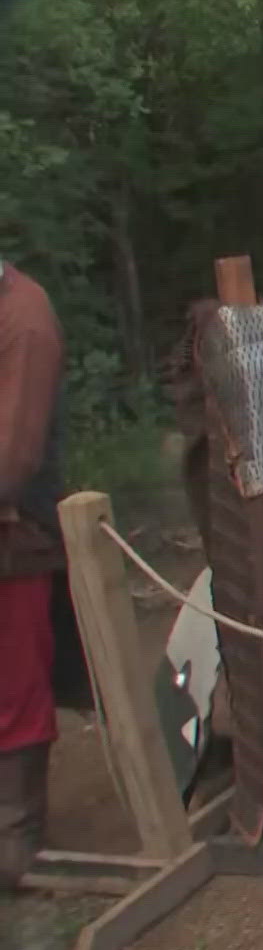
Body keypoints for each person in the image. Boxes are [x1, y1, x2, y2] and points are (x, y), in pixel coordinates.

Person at [0, 256, 64, 886]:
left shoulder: (23, 317)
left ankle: (15, 839)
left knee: (14, 685)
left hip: (17, 535)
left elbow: (14, 456)